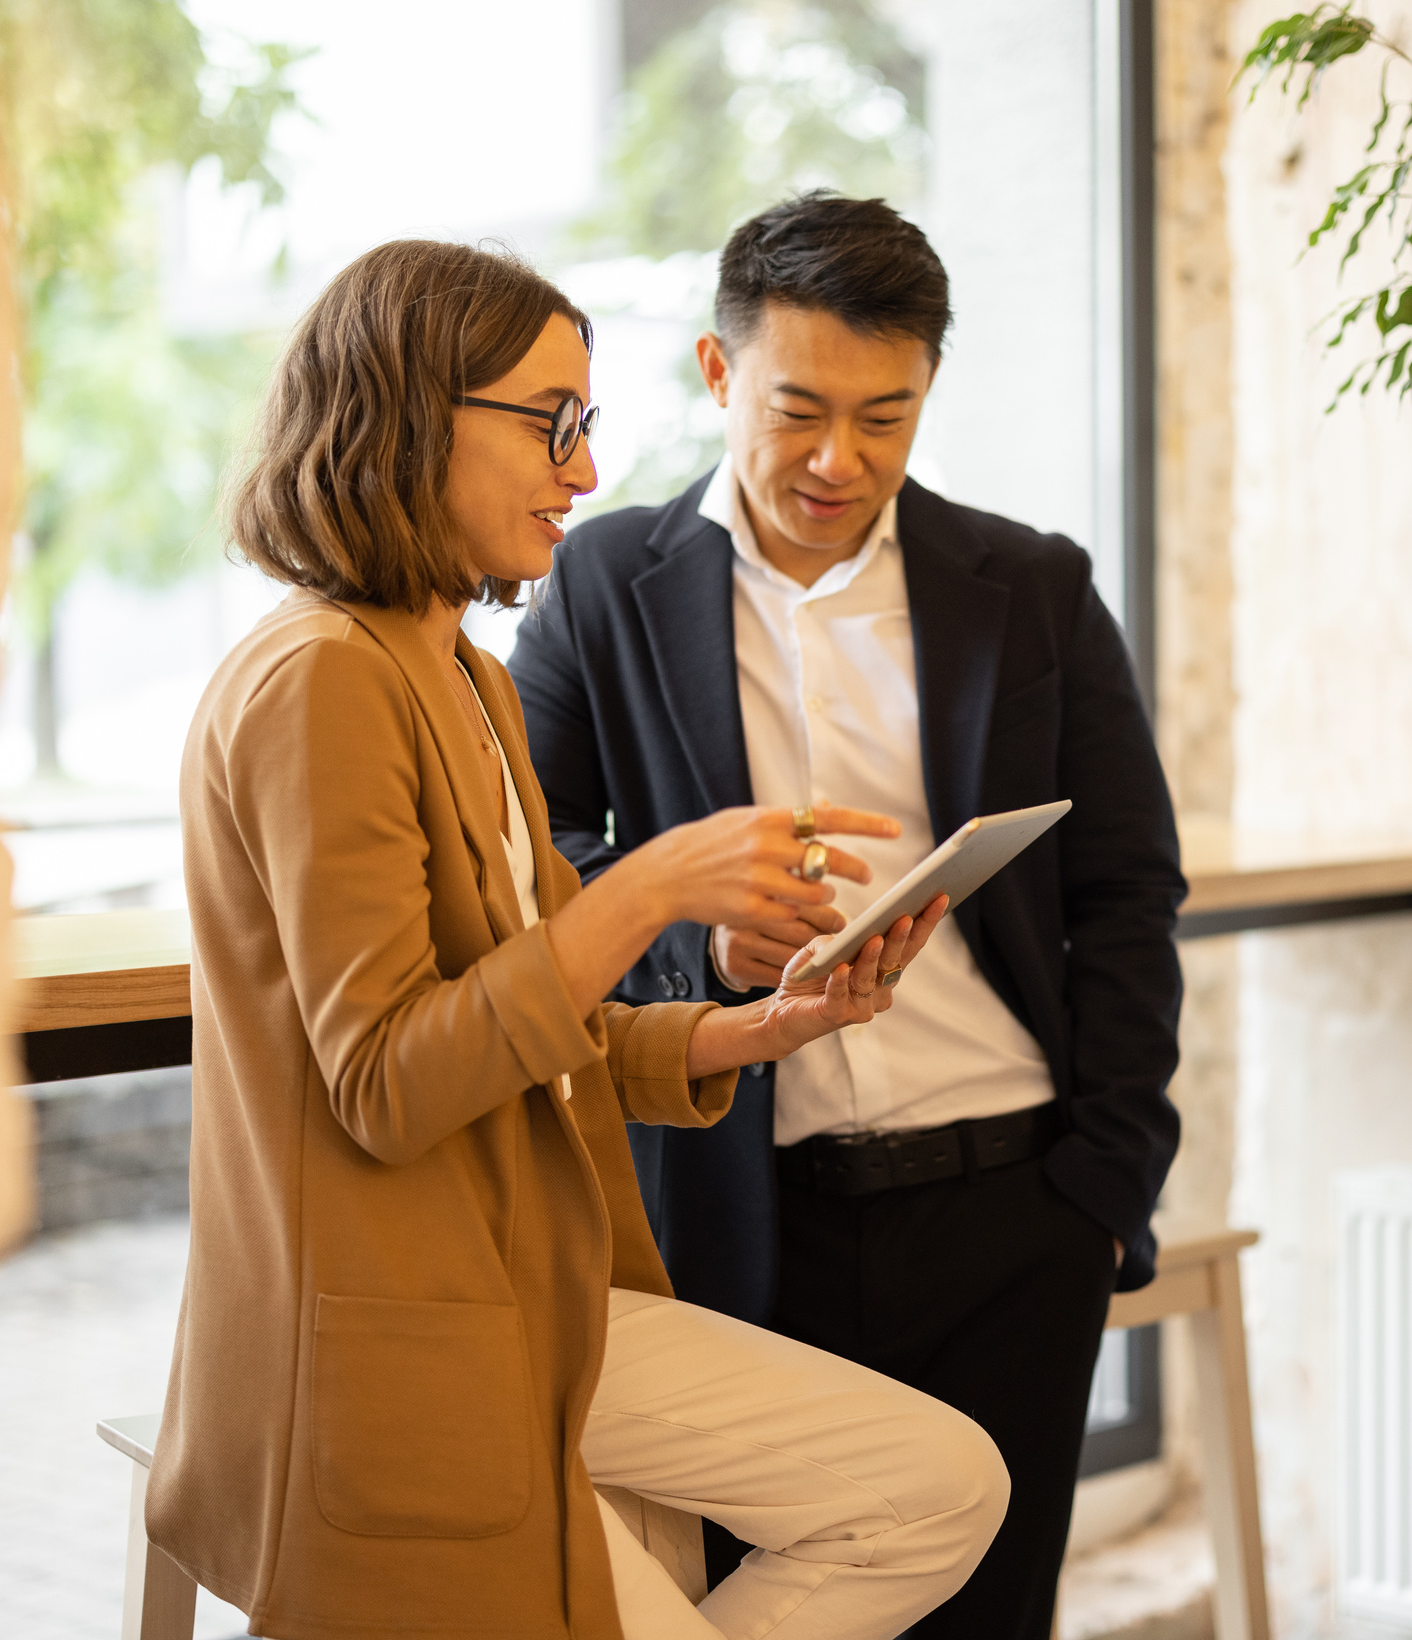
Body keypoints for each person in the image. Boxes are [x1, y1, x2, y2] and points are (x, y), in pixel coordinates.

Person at [147, 238, 1007, 1640]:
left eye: (586, 425)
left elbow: (548, 1028)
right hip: (402, 1350)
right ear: (407, 412)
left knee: (939, 1486)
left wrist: (754, 1027)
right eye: (551, 423)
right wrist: (654, 883)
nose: (585, 472)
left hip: (532, 1298)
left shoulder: (463, 681)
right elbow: (388, 1080)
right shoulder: (317, 683)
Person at [508, 193, 1185, 1640]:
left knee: (987, 1617)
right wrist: (698, 940)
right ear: (715, 372)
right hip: (729, 1219)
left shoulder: (1034, 590)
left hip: (1014, 1202)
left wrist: (1106, 1177)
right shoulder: (597, 585)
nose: (838, 461)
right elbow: (530, 855)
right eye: (797, 408)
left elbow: (1128, 888)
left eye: (886, 417)